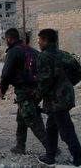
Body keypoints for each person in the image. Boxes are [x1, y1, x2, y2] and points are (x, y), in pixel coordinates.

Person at [36, 29, 81, 167]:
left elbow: (45, 81)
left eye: (40, 40)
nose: (38, 43)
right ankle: (50, 156)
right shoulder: (64, 55)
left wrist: (38, 95)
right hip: (65, 97)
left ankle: (78, 158)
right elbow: (78, 73)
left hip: (56, 100)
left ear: (45, 41)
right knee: (51, 127)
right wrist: (67, 85)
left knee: (66, 130)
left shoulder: (44, 57)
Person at [0, 28, 48, 154]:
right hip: (36, 90)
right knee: (22, 119)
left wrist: (2, 91)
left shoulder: (13, 52)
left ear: (9, 39)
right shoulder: (32, 51)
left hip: (23, 91)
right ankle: (20, 146)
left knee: (32, 119)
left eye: (6, 39)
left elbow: (6, 74)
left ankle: (51, 147)